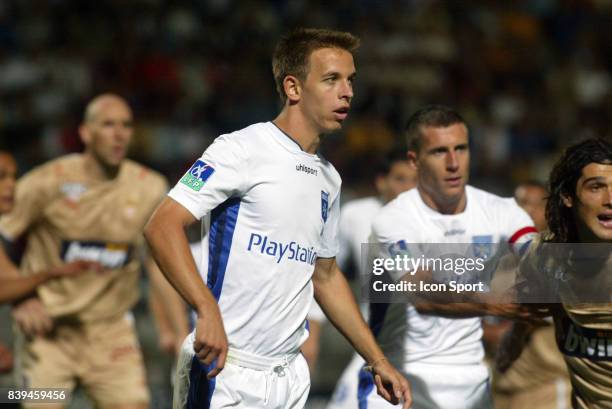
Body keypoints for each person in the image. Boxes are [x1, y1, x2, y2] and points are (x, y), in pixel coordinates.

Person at [144, 28, 411, 409]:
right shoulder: (239, 149)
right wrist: (205, 309)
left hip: (288, 376)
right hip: (225, 368)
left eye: (351, 80)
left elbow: (326, 275)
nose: (348, 91)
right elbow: (161, 225)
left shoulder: (328, 179)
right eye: (332, 79)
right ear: (293, 88)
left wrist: (377, 359)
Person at [0, 94, 187, 409]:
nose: (119, 134)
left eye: (126, 125)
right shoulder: (48, 182)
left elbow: (158, 265)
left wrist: (180, 332)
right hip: (49, 336)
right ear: (85, 133)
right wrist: (21, 296)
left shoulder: (149, 187)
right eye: (108, 124)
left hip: (112, 336)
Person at [361, 105, 537, 408]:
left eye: (461, 149)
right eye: (440, 152)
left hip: (472, 386)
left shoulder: (502, 211)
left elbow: (539, 259)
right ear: (415, 161)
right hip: (399, 385)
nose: (454, 163)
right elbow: (423, 295)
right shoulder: (392, 220)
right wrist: (495, 302)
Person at [498, 138, 612, 409]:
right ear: (568, 196)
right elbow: (529, 304)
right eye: (596, 187)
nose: (611, 199)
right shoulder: (546, 256)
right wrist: (513, 341)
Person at [326, 149, 417, 409]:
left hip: (427, 350)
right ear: (381, 181)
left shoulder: (437, 223)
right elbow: (327, 272)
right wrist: (314, 324)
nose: (408, 188)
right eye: (400, 179)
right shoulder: (356, 215)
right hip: (374, 345)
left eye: (414, 180)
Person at [491, 181, 572, 409]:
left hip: (546, 386)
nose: (529, 211)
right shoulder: (497, 263)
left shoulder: (560, 260)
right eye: (522, 204)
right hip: (503, 384)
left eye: (538, 204)